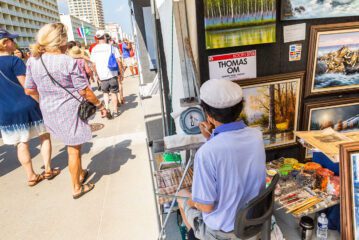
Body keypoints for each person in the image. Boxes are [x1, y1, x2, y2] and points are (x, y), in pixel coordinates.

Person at [25, 23, 107, 199]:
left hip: (48, 111)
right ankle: (77, 187)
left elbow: (29, 89)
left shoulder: (33, 61)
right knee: (74, 150)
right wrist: (100, 106)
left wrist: (45, 100)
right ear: (60, 40)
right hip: (70, 110)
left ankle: (80, 172)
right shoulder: (67, 61)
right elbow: (84, 90)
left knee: (73, 146)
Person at [177, 79, 266, 240]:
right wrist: (212, 138)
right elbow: (232, 152)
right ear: (239, 109)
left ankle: (195, 236)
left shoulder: (206, 153)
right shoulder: (256, 136)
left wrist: (191, 201)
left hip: (223, 233)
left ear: (208, 115)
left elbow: (206, 206)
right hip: (251, 224)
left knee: (182, 195)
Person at [0, 29, 60, 186]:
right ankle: (48, 169)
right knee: (44, 135)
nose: (15, 43)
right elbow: (28, 87)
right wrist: (42, 103)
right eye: (12, 40)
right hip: (27, 105)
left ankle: (31, 175)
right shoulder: (15, 61)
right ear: (5, 43)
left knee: (20, 143)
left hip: (6, 110)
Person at [90, 30, 122, 117]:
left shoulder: (94, 49)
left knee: (105, 93)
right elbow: (118, 61)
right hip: (112, 74)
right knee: (114, 93)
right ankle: (115, 111)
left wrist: (97, 75)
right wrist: (120, 73)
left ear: (97, 38)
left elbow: (93, 64)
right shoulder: (112, 48)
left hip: (102, 75)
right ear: (105, 37)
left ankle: (107, 108)